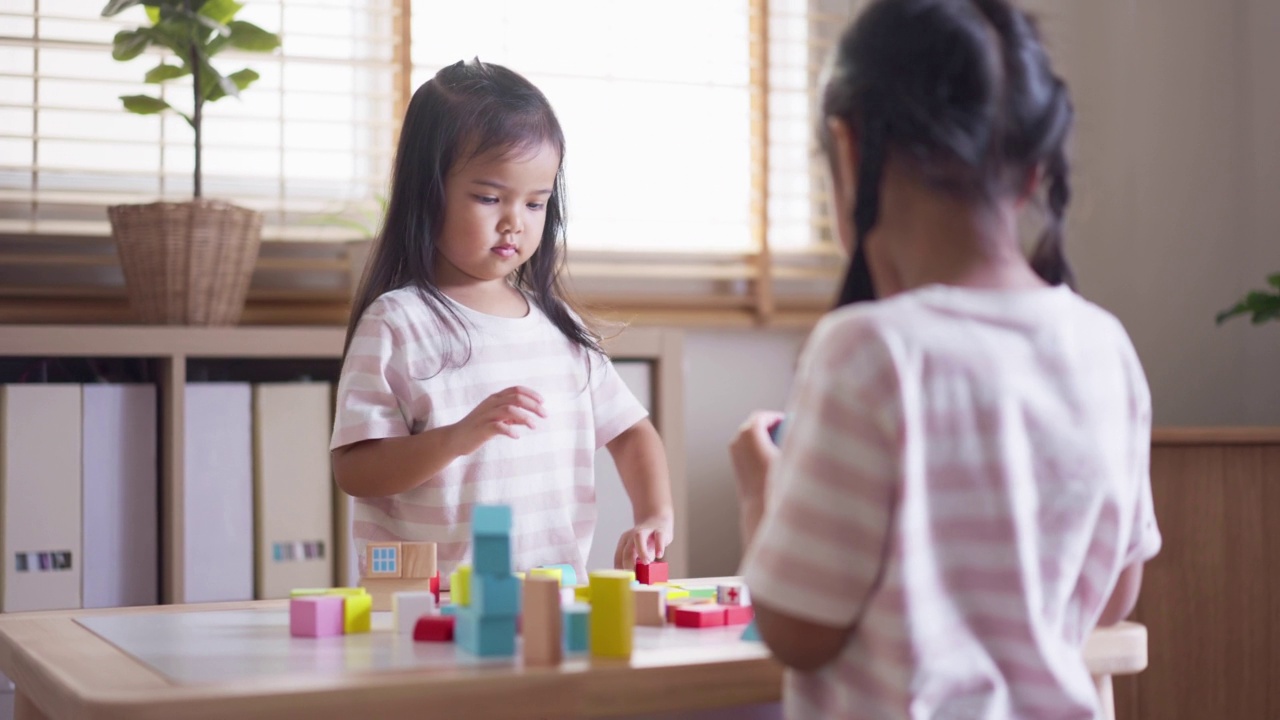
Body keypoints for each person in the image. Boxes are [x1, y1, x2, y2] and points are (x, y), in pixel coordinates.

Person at [729, 1, 1161, 717]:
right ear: (1031, 174)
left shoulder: (871, 352)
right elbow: (1114, 594)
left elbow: (797, 631)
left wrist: (759, 497)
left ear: (850, 148)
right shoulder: (1104, 346)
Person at [330, 59, 674, 584]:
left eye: (536, 203)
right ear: (429, 191)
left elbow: (631, 433)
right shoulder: (398, 322)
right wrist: (456, 438)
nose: (515, 221)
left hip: (552, 596)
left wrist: (654, 515)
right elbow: (355, 470)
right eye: (489, 198)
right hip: (431, 604)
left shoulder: (560, 331)